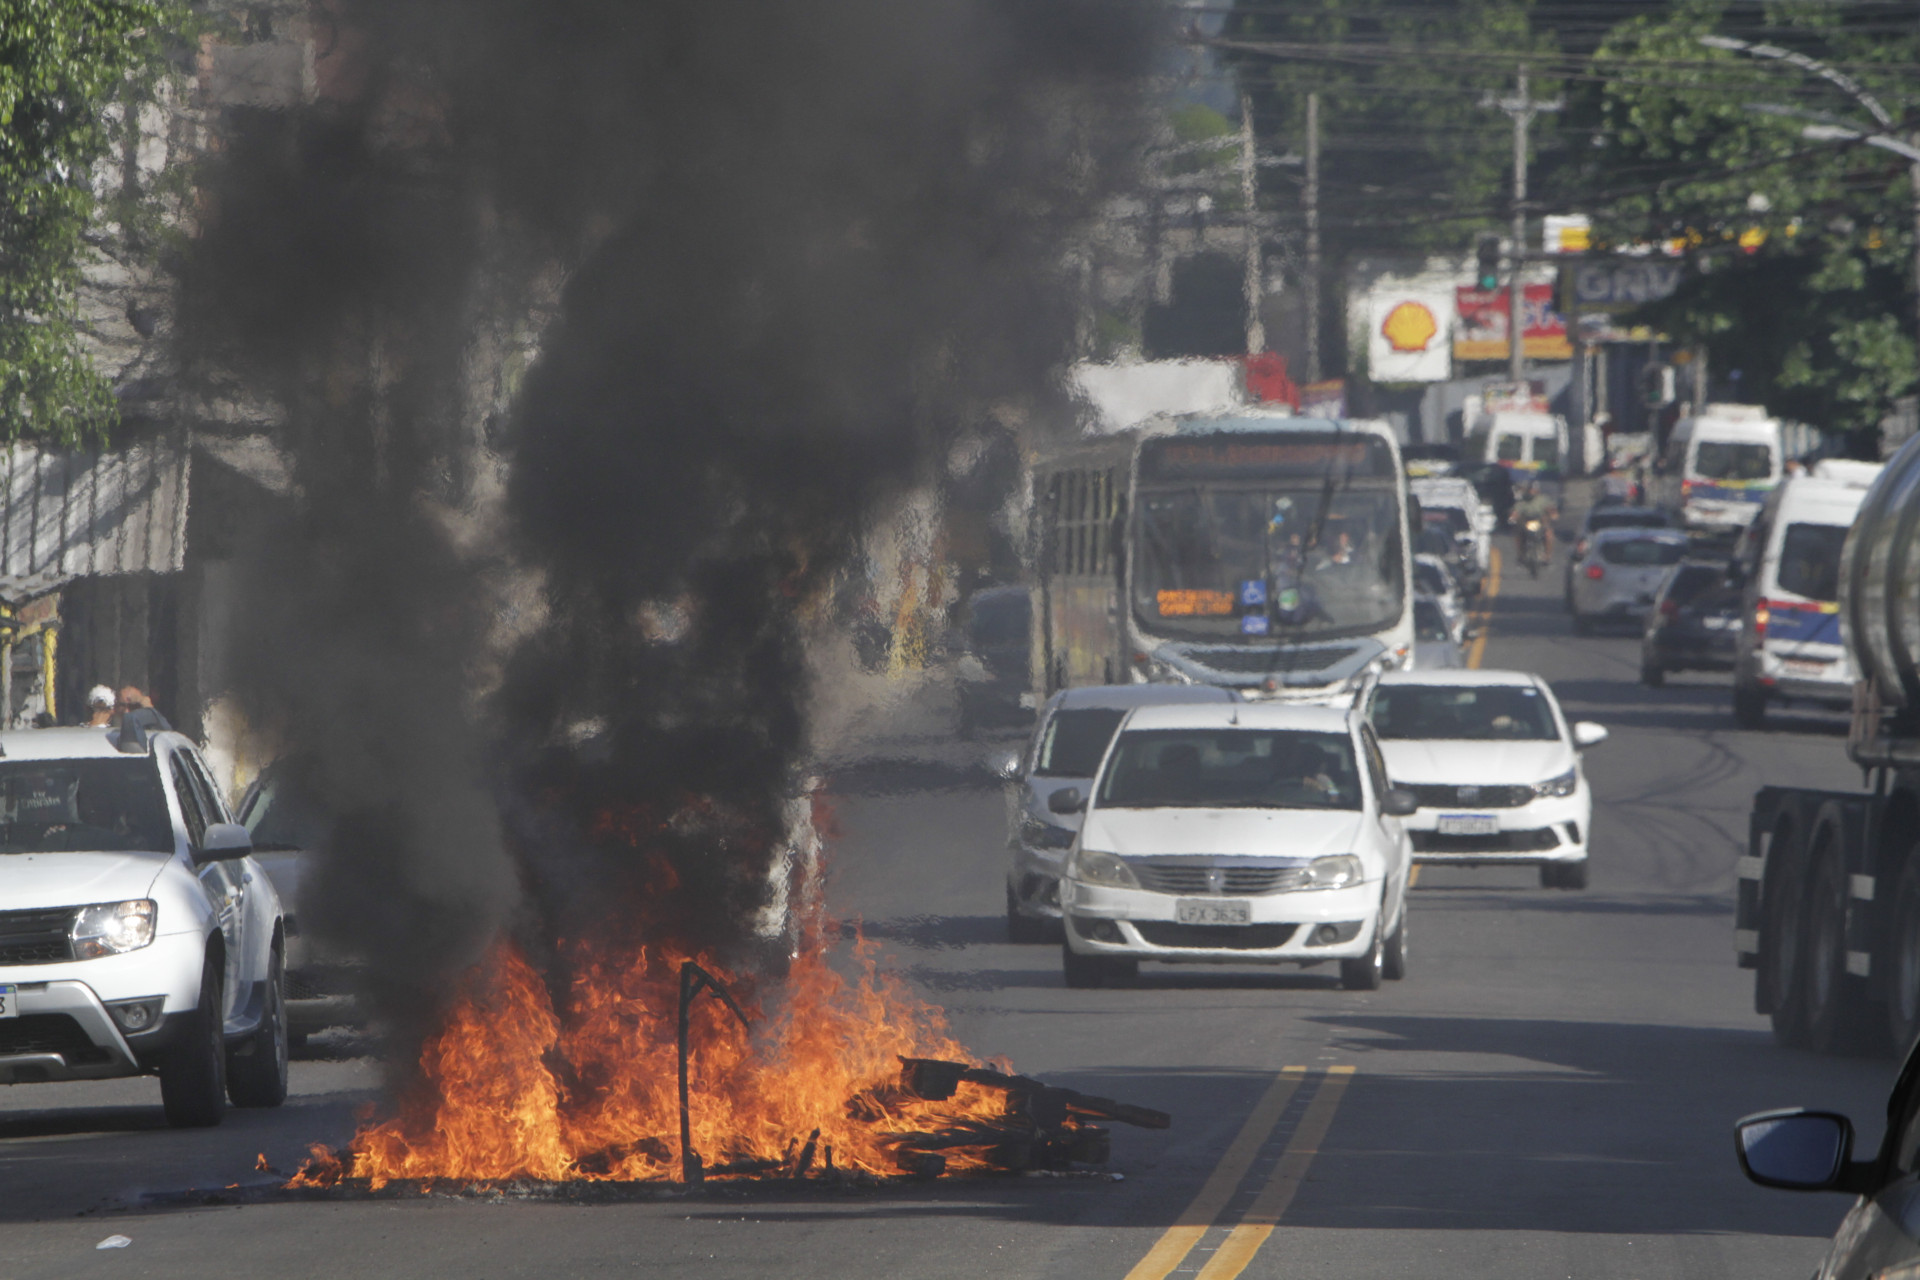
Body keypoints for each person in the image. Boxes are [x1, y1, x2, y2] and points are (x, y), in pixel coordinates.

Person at [1512, 483, 1557, 559]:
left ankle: (1547, 555)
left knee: (1549, 535)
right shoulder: (1522, 501)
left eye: (1533, 489)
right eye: (1529, 490)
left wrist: (1553, 515)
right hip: (1526, 524)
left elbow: (1550, 508)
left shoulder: (1542, 499)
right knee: (1518, 535)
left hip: (1541, 524)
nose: (1531, 492)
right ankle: (1520, 554)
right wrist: (1513, 518)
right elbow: (1516, 512)